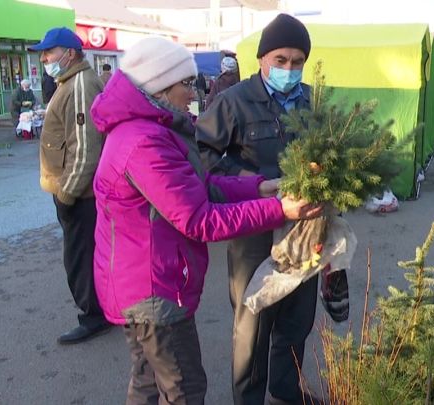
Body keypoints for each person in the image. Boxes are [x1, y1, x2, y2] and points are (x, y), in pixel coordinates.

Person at [89, 36, 321, 404]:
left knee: (149, 382)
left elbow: (202, 185)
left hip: (146, 281)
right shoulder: (144, 142)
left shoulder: (153, 130)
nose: (192, 91)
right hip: (152, 289)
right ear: (161, 87)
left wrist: (262, 187)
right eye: (186, 83)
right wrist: (281, 209)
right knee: (184, 387)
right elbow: (198, 219)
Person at [196, 14, 322, 405]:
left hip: (304, 231)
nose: (288, 69)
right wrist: (252, 182)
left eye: (297, 61)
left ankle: (286, 388)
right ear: (261, 59)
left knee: (297, 318)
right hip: (254, 232)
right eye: (280, 60)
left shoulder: (311, 101)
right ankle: (248, 398)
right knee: (253, 321)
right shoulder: (233, 102)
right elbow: (203, 156)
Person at [28, 27, 110, 345]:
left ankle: (93, 316)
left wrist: (66, 193)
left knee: (79, 257)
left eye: (49, 52)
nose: (45, 58)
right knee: (84, 254)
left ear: (70, 54)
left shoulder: (79, 84)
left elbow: (85, 148)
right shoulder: (70, 82)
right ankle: (98, 311)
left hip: (78, 193)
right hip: (75, 191)